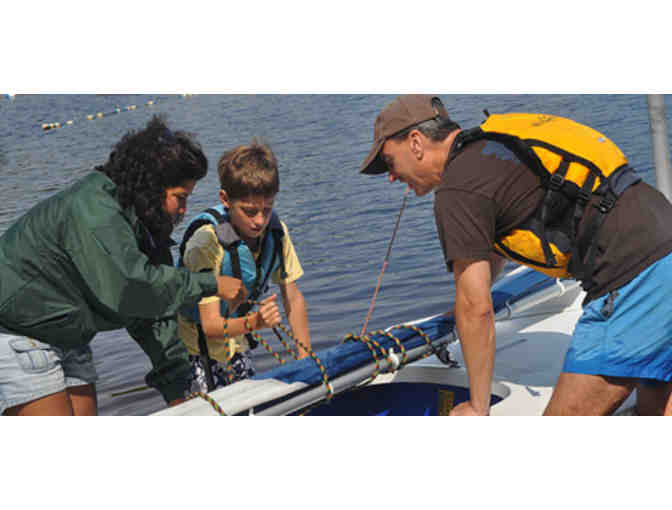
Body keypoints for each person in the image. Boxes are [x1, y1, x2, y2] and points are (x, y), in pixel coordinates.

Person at [360, 94, 672, 416]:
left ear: (416, 143)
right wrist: (468, 299)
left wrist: (477, 406)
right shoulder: (492, 150)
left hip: (635, 278)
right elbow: (490, 250)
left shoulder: (458, 190)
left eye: (390, 162)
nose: (391, 176)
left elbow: (476, 308)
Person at [0, 115, 247, 416]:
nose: (184, 210)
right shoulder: (96, 211)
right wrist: (212, 284)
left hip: (68, 334)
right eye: (180, 198)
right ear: (152, 185)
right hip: (17, 330)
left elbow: (155, 313)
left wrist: (179, 392)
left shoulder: (146, 224)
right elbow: (133, 286)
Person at [178, 138, 312, 393]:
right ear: (225, 199)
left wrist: (305, 359)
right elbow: (210, 325)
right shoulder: (204, 244)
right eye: (249, 211)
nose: (259, 221)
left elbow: (293, 298)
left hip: (237, 345)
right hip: (197, 352)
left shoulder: (277, 233)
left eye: (267, 209)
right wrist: (255, 322)